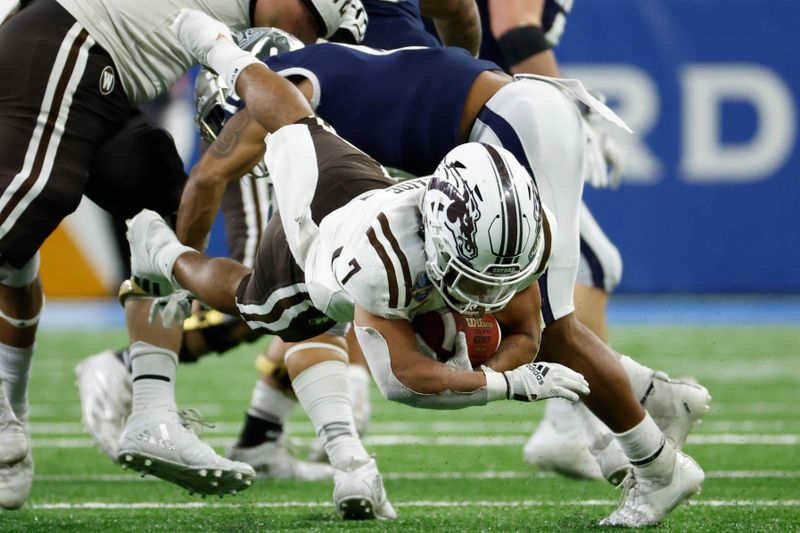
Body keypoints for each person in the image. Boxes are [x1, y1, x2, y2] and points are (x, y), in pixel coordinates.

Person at [132, 15, 705, 527]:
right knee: (518, 306)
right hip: (505, 125)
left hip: (498, 130)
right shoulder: (336, 83)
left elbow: (210, 177)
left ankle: (654, 463)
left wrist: (495, 377)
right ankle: (648, 397)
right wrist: (498, 369)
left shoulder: (284, 84)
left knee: (551, 329)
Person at [0, 0, 353, 509]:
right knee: (24, 211)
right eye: (315, 23)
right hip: (69, 42)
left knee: (162, 212)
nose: (311, 41)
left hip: (103, 79)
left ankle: (151, 411)